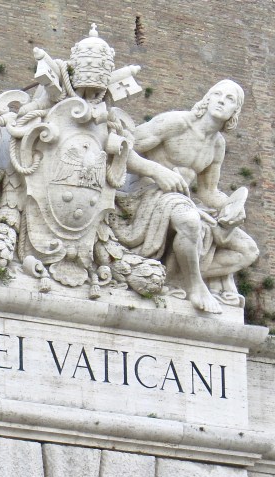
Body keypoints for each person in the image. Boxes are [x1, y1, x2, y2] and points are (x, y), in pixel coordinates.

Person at [113, 79, 259, 312]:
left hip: (182, 200)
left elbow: (208, 192)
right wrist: (156, 171)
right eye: (217, 94)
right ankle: (195, 287)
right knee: (189, 220)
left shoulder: (217, 145)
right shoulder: (175, 123)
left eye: (230, 99)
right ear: (207, 98)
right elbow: (120, 148)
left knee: (248, 251)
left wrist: (232, 207)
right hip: (144, 195)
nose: (221, 100)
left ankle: (172, 278)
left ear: (235, 111)